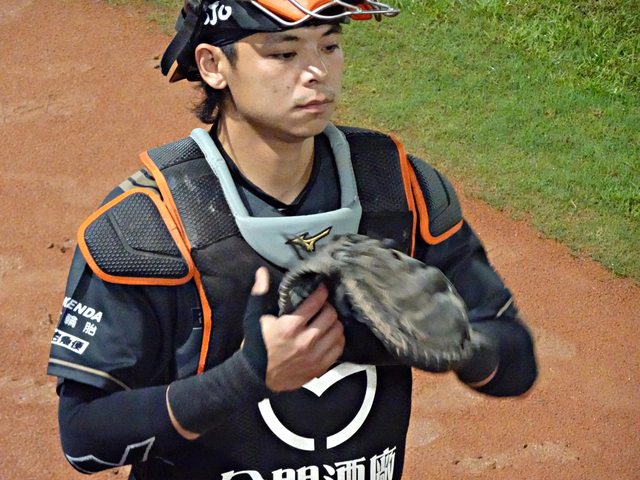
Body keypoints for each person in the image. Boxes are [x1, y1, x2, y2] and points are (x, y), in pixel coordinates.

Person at [47, 1, 538, 479]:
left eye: (329, 46)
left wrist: (463, 348)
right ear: (213, 65)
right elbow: (84, 437)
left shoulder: (399, 189)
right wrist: (245, 378)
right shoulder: (149, 225)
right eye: (284, 53)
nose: (317, 72)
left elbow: (515, 360)